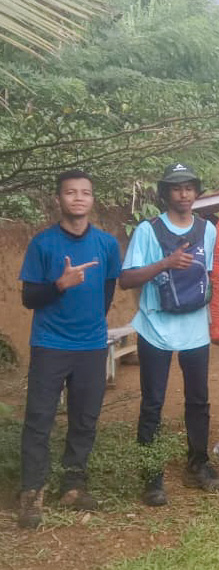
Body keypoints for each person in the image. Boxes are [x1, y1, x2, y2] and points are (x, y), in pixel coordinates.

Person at [119, 163, 219, 506]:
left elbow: (209, 276)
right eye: (176, 188)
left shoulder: (207, 229)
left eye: (189, 188)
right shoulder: (148, 231)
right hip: (155, 328)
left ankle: (198, 465)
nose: (184, 194)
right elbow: (127, 279)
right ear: (165, 193)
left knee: (199, 401)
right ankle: (151, 475)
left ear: (197, 192)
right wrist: (164, 264)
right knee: (152, 402)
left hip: (194, 328)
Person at [17, 170, 122, 528]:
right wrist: (59, 284)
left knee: (85, 419)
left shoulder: (107, 245)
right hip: (50, 344)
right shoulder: (43, 244)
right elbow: (29, 297)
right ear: (58, 199)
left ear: (93, 199)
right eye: (70, 192)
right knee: (39, 421)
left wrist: (93, 322)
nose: (78, 198)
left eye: (85, 193)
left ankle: (73, 486)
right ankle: (31, 493)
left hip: (92, 345)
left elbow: (108, 291)